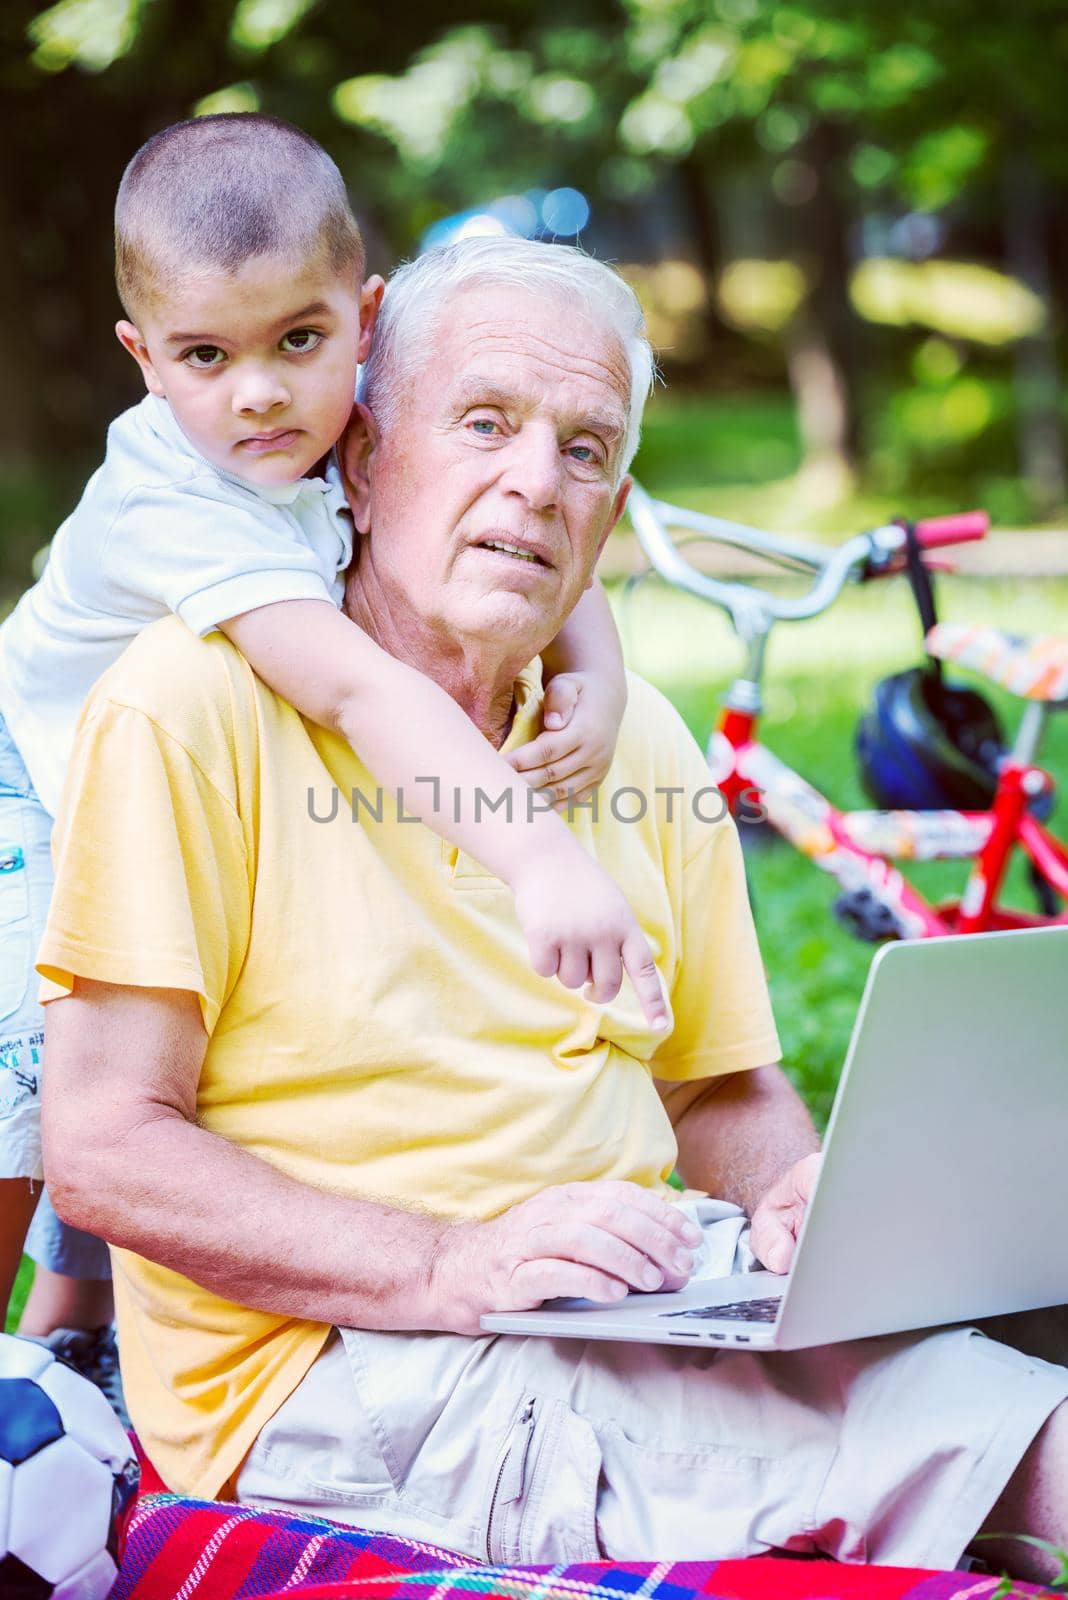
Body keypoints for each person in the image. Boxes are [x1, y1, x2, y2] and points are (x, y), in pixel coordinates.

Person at [40, 238, 1068, 1584]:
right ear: (360, 451)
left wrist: (805, 1201)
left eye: (586, 451)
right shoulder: (192, 706)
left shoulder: (633, 734)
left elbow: (719, 1094)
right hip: (351, 1365)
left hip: (645, 1291)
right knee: (1036, 1443)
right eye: (485, 425)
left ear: (613, 504)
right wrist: (445, 1264)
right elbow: (107, 1149)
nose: (536, 481)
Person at [0, 116, 662, 1355]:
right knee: (39, 1090)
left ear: (362, 318)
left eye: (298, 341)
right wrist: (541, 857)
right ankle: (38, 1347)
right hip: (29, 783)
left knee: (165, 1054)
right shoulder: (177, 500)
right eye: (206, 354)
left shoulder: (344, 412)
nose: (259, 392)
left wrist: (602, 686)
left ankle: (75, 1349)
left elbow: (553, 550)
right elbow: (359, 691)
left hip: (153, 780)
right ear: (143, 358)